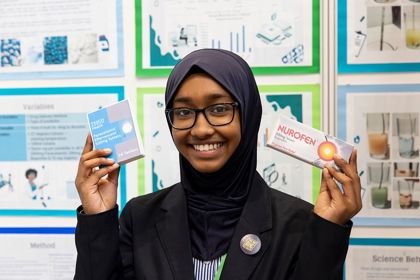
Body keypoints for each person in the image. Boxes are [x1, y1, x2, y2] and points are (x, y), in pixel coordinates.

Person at [74, 49, 362, 280]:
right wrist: (98, 217)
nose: (200, 130)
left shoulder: (298, 223)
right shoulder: (140, 217)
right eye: (184, 112)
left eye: (220, 108)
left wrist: (328, 229)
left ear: (248, 116)